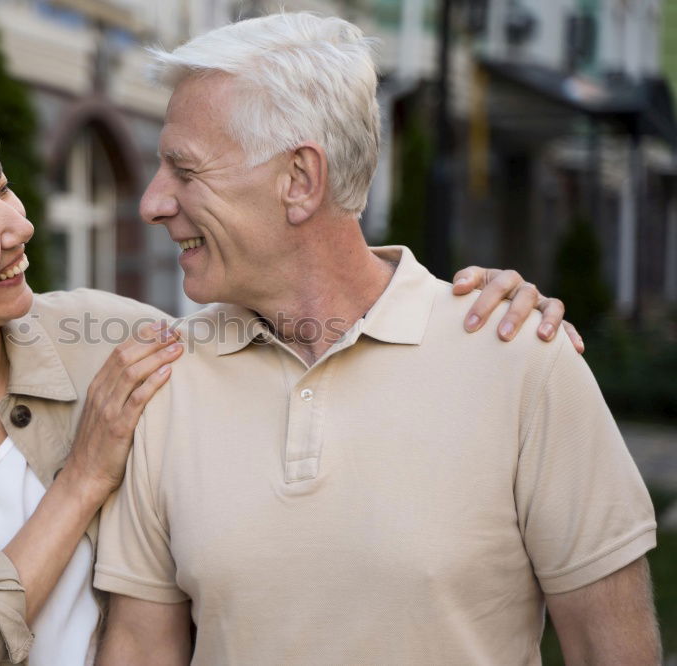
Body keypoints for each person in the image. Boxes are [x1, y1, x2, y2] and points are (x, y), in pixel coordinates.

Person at [0, 100, 571, 664]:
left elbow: (297, 327)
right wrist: (81, 479)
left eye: (6, 189)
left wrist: (473, 318)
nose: (22, 226)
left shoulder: (106, 335)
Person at [94, 13, 660, 665]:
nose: (153, 203)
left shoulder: (520, 360)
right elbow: (140, 647)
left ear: (299, 180)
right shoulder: (167, 380)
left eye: (185, 171)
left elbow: (612, 650)